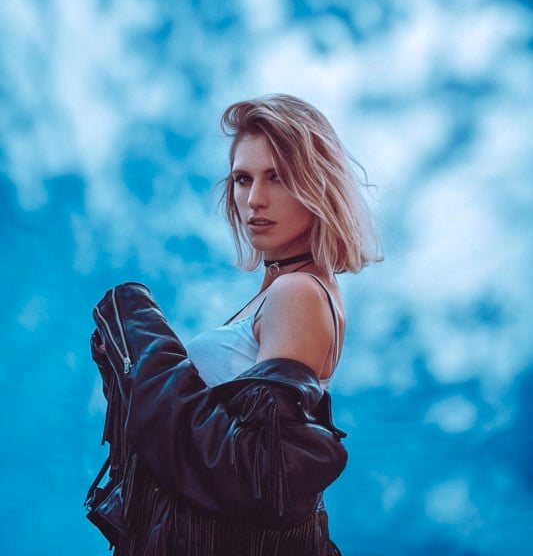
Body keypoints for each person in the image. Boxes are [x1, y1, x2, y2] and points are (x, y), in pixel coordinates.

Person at [86, 94, 381, 556]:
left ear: (315, 184)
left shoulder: (298, 292)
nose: (254, 200)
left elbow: (265, 474)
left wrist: (143, 338)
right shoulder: (278, 292)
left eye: (277, 177)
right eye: (243, 179)